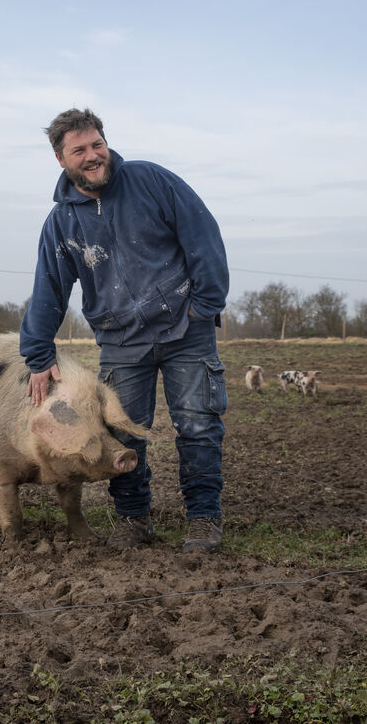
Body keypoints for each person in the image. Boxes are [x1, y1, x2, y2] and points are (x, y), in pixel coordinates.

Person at [20, 108, 229, 551]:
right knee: (122, 431)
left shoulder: (151, 181)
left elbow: (203, 236)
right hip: (121, 340)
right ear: (61, 159)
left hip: (185, 329)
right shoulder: (62, 222)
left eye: (97, 144)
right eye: (79, 150)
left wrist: (204, 306)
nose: (93, 155)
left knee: (198, 425)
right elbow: (48, 288)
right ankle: (134, 519)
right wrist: (38, 354)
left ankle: (204, 519)